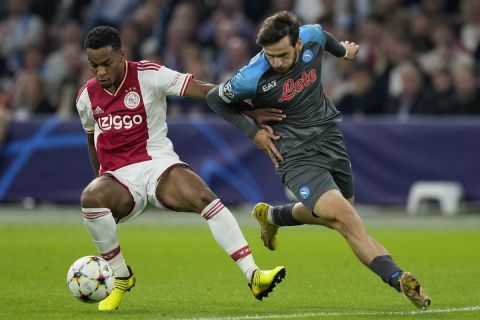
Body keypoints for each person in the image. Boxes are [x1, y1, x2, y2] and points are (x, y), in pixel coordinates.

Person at [206, 11, 431, 309]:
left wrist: (343, 52)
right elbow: (214, 98)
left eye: (282, 55)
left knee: (343, 212)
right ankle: (398, 278)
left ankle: (274, 216)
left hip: (329, 137)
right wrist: (254, 131)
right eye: (269, 55)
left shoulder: (311, 35)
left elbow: (324, 37)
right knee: (346, 219)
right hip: (292, 152)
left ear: (298, 43)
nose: (276, 62)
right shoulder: (251, 77)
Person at [76, 26, 286, 311]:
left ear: (122, 55)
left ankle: (254, 275)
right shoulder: (86, 97)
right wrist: (102, 182)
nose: (100, 72)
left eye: (106, 63)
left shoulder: (149, 74)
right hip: (119, 177)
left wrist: (251, 110)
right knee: (90, 197)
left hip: (158, 165)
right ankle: (121, 276)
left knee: (204, 196)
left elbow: (206, 90)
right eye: (93, 65)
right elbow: (92, 142)